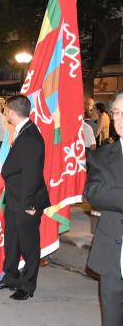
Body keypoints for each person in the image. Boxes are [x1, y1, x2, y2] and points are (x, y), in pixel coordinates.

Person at [0, 95, 50, 301]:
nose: (5, 113)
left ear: (10, 112)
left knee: (29, 245)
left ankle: (27, 285)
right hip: (15, 198)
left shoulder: (30, 136)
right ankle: (11, 277)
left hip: (26, 201)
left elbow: (32, 173)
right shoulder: (23, 131)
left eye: (6, 110)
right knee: (12, 241)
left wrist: (30, 203)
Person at [84, 94, 123, 326]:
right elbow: (95, 193)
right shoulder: (101, 156)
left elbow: (109, 194)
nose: (120, 118)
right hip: (113, 256)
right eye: (117, 112)